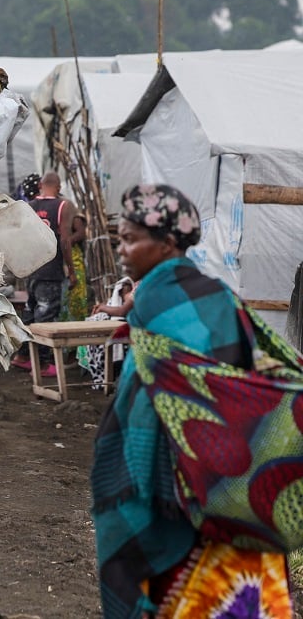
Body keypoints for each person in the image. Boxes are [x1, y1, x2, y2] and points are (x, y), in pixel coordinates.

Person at [91, 183, 292, 618]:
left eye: (129, 240)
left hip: (178, 496)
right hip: (235, 486)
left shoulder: (155, 303)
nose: (121, 251)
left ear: (166, 243)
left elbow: (146, 409)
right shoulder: (220, 294)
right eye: (118, 240)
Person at [11, 171, 76, 377]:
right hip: (51, 269)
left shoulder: (29, 207)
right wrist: (71, 270)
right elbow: (65, 241)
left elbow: (20, 239)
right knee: (46, 316)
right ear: (58, 187)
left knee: (30, 312)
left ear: (40, 185)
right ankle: (43, 364)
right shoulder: (64, 206)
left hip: (32, 269)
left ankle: (22, 357)